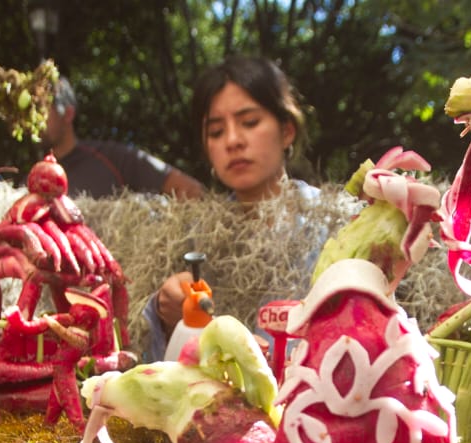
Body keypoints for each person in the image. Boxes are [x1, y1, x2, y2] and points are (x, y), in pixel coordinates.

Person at [144, 55, 324, 362]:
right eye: (215, 132)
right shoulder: (192, 235)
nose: (232, 140)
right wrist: (164, 312)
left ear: (287, 131)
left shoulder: (333, 222)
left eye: (250, 122)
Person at [43, 77, 204, 201]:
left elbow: (191, 190)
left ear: (68, 114)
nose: (37, 121)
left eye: (43, 110)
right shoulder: (30, 184)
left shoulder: (113, 158)